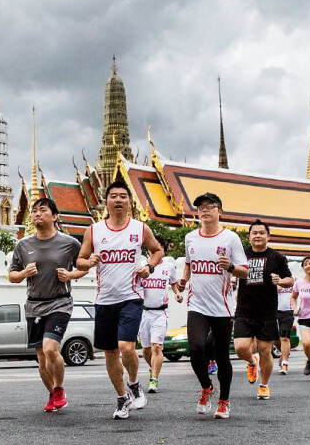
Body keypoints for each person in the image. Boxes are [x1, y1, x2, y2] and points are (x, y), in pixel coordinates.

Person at [76, 180, 164, 419]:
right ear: (106, 202)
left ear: (129, 202)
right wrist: (90, 261)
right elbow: (80, 261)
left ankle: (134, 383)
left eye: (123, 196)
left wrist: (149, 266)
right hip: (104, 300)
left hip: (131, 297)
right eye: (113, 196)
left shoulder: (140, 229)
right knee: (110, 353)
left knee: (126, 347)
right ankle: (122, 397)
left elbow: (157, 251)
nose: (118, 200)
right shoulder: (94, 231)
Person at [9, 198, 87, 412]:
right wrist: (24, 273)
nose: (37, 214)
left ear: (54, 216)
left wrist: (70, 274)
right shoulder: (23, 245)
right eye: (34, 211)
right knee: (42, 359)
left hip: (60, 303)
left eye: (42, 210)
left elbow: (84, 266)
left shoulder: (70, 243)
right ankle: (52, 394)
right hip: (34, 305)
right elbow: (12, 276)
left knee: (50, 348)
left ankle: (60, 388)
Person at [175, 192, 248, 419]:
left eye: (210, 206)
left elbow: (244, 271)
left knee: (220, 355)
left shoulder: (230, 239)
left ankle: (224, 400)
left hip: (222, 307)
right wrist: (184, 280)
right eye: (201, 207)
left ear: (220, 211)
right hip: (197, 304)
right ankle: (206, 387)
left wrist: (230, 267)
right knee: (196, 348)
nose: (205, 210)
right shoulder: (190, 238)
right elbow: (188, 264)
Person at [234, 219, 293, 399]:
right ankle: (252, 362)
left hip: (267, 311)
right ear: (249, 236)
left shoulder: (277, 257)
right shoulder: (241, 255)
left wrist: (280, 281)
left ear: (268, 236)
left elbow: (290, 280)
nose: (258, 235)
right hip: (244, 309)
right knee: (240, 348)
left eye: (262, 233)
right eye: (255, 233)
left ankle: (264, 385)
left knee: (265, 350)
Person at [138, 253, 182, 393]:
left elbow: (174, 283)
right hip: (143, 312)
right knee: (146, 349)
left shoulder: (168, 267)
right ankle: (153, 367)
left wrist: (177, 293)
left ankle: (154, 379)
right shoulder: (140, 264)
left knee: (156, 346)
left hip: (161, 312)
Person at [276, 272, 296, 375]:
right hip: (273, 310)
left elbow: (297, 293)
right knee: (274, 339)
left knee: (284, 337)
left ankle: (284, 364)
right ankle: (284, 353)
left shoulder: (292, 277)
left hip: (288, 311)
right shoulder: (272, 277)